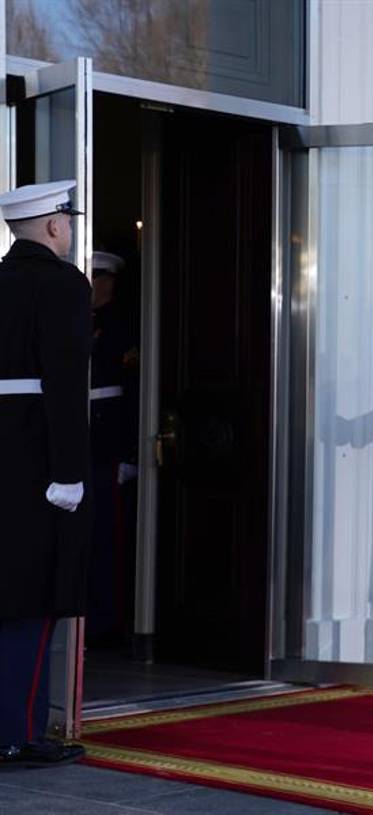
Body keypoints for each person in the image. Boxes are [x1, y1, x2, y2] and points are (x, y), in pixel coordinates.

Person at [0, 180, 92, 768]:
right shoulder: (62, 284)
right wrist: (69, 472)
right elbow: (64, 384)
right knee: (30, 601)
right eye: (69, 221)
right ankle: (19, 730)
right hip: (35, 457)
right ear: (54, 226)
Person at [87, 251, 136, 641]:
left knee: (109, 537)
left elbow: (134, 392)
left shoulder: (122, 324)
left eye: (96, 276)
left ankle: (109, 622)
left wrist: (129, 452)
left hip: (108, 441)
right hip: (83, 438)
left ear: (109, 281)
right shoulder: (80, 320)